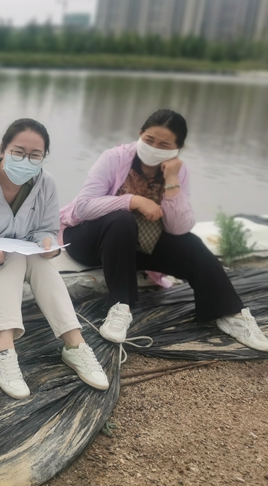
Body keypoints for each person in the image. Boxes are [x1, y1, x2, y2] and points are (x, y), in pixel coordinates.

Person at [60, 109, 268, 351]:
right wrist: (133, 201)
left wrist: (171, 182)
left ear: (177, 149)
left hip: (134, 246)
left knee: (191, 243)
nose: (154, 148)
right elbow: (84, 207)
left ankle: (230, 313)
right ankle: (119, 307)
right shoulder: (114, 158)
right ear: (140, 134)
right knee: (121, 220)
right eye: (149, 140)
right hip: (90, 240)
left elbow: (178, 228)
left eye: (164, 145)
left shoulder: (178, 172)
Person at [0, 118, 109, 400]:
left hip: (14, 259)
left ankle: (75, 345)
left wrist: (46, 244)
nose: (26, 160)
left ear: (44, 157)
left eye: (35, 155)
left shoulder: (45, 184)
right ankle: (2, 349)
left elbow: (46, 229)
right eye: (18, 152)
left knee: (36, 260)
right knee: (15, 258)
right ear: (3, 149)